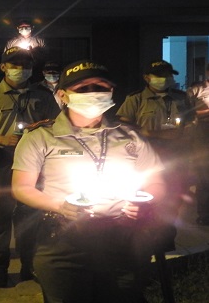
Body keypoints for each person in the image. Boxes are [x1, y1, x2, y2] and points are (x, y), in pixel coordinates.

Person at [12, 59, 168, 302]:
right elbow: (21, 187)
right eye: (83, 88)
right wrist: (60, 206)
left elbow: (156, 180)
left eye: (101, 87)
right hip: (63, 241)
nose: (93, 93)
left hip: (122, 240)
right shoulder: (41, 136)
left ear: (112, 92)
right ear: (62, 95)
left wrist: (145, 202)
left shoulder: (130, 136)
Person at [0, 46, 60, 288]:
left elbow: (56, 124)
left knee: (31, 216)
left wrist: (42, 127)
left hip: (34, 164)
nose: (21, 70)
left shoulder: (43, 96)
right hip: (1, 161)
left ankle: (29, 265)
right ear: (3, 67)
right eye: (15, 65)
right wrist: (1, 138)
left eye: (26, 66)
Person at [117, 60, 193, 227]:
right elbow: (124, 129)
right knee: (146, 202)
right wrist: (154, 135)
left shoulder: (180, 97)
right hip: (148, 162)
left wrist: (152, 133)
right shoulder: (135, 99)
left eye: (168, 75)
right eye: (160, 75)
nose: (165, 79)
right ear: (147, 77)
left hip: (175, 159)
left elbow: (189, 125)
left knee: (173, 201)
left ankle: (165, 240)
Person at [186, 63, 209, 225]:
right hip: (202, 135)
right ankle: (204, 215)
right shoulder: (196, 90)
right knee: (204, 178)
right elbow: (186, 112)